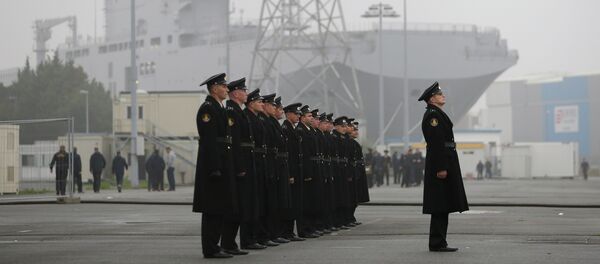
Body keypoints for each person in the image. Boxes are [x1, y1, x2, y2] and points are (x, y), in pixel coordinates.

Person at [418, 82, 469, 252]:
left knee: (444, 203)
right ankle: (437, 242)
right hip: (441, 163)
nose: (443, 96)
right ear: (432, 99)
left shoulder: (437, 114)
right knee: (440, 204)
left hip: (446, 161)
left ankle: (440, 241)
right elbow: (437, 144)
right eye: (440, 94)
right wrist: (441, 167)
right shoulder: (433, 116)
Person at [192, 73, 237, 259]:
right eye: (224, 86)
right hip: (213, 166)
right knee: (212, 208)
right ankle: (210, 248)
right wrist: (215, 167)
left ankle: (215, 245)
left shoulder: (219, 108)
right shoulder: (208, 109)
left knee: (220, 207)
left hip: (222, 163)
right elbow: (210, 141)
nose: (227, 89)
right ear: (214, 88)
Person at [220, 77, 253, 255]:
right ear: (236, 93)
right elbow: (234, 143)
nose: (246, 94)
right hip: (238, 164)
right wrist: (239, 167)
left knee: (240, 206)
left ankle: (230, 243)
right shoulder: (231, 112)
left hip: (244, 162)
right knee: (234, 206)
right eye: (244, 91)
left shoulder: (238, 111)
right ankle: (227, 242)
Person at [281, 102, 306, 242]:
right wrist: (290, 174)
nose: (298, 116)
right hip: (291, 171)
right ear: (288, 114)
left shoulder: (292, 128)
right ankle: (287, 231)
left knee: (295, 202)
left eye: (299, 114)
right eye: (296, 114)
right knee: (290, 203)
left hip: (296, 171)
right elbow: (288, 154)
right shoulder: (285, 128)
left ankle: (290, 231)